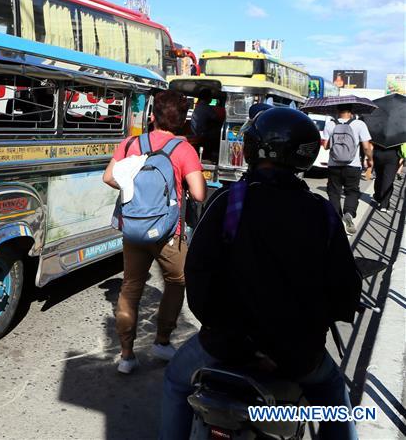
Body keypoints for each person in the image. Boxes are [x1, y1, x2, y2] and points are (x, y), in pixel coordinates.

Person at [160, 108, 361, 440]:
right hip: (297, 354)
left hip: (225, 345)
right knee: (335, 394)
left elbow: (197, 275)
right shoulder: (322, 213)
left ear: (253, 149)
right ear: (305, 155)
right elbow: (344, 289)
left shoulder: (228, 201)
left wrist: (231, 336)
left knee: (175, 382)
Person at [103, 90, 207, 374]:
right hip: (167, 233)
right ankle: (162, 341)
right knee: (177, 280)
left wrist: (134, 191)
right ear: (182, 120)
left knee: (130, 287)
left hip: (133, 229)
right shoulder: (182, 149)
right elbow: (198, 194)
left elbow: (108, 177)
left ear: (153, 116)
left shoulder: (129, 144)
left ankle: (126, 355)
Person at [322, 106, 373, 234]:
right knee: (352, 191)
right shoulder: (359, 124)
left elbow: (325, 146)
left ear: (337, 111)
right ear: (351, 112)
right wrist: (370, 159)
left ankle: (335, 219)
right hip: (353, 165)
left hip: (334, 165)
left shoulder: (330, 124)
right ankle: (349, 213)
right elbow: (366, 147)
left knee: (334, 192)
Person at [372, 142, 402, 213]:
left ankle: (377, 196)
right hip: (392, 154)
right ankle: (384, 205)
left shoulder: (378, 131)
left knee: (379, 177)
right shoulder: (399, 132)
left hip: (378, 153)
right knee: (388, 180)